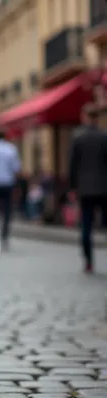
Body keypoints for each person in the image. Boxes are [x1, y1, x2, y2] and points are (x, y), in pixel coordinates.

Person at [68, 104, 107, 273]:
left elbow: (72, 165)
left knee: (86, 226)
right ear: (97, 118)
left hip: (84, 188)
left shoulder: (78, 137)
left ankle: (89, 261)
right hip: (104, 188)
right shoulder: (104, 137)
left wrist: (72, 187)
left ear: (85, 117)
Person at [0, 128, 21, 246]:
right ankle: (5, 235)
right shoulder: (11, 149)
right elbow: (17, 168)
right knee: (8, 211)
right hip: (8, 183)